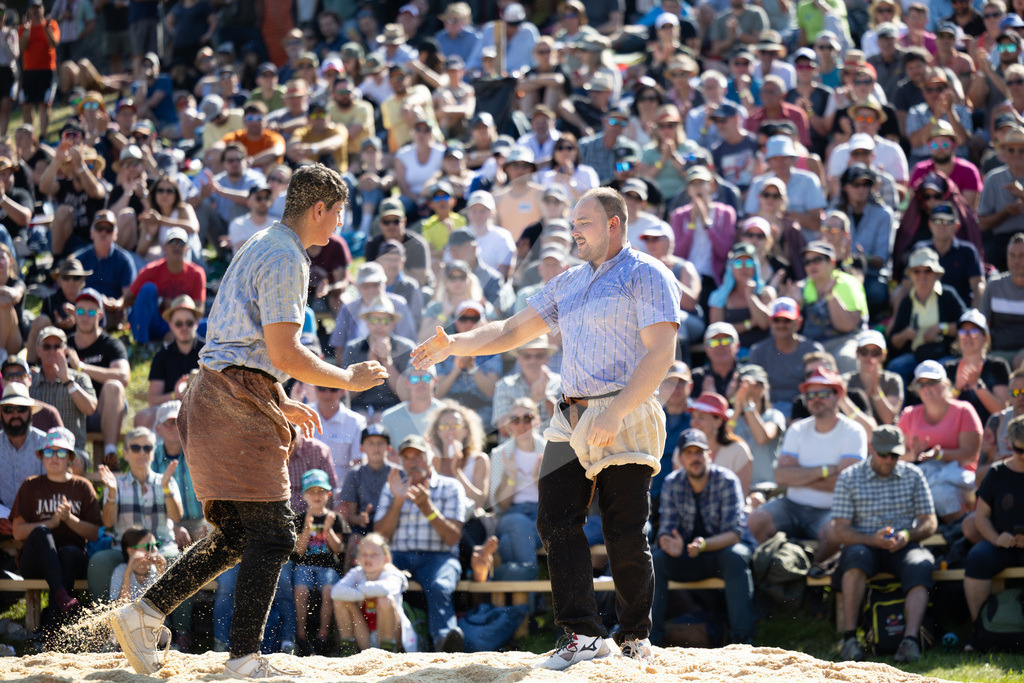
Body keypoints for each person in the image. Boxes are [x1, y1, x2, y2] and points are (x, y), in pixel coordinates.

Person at [109, 163, 388, 678]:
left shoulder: (263, 240)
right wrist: (346, 379)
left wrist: (276, 399)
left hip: (220, 393)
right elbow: (283, 351)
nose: (339, 228)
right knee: (279, 533)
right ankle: (242, 657)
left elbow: (246, 343)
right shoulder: (288, 256)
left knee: (239, 533)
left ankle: (143, 611)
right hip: (235, 398)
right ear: (319, 208)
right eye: (338, 215)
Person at [412, 187, 681, 668]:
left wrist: (616, 411)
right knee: (554, 520)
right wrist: (455, 343)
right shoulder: (569, 281)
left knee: (623, 531)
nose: (574, 231)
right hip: (569, 414)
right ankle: (583, 635)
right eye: (573, 223)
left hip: (627, 410)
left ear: (614, 223)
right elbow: (512, 330)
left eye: (585, 222)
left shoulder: (648, 274)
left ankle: (635, 635)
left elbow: (662, 353)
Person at [832, 425, 938, 663]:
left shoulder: (913, 474)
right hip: (864, 544)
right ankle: (850, 639)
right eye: (884, 454)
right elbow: (840, 530)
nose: (890, 460)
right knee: (855, 558)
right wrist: (872, 539)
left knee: (921, 563)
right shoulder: (849, 477)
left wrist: (907, 536)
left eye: (895, 454)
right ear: (871, 449)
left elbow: (930, 522)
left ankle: (910, 641)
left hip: (903, 546)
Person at [748, 368, 867, 563]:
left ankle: (812, 572)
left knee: (835, 532)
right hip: (792, 505)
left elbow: (846, 485)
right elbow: (781, 477)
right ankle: (779, 570)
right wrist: (827, 470)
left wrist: (798, 477)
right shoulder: (797, 429)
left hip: (831, 509)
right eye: (810, 395)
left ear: (837, 397)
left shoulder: (853, 431)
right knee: (756, 521)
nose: (816, 399)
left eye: (823, 394)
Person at [651, 428, 755, 646]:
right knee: (656, 560)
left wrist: (705, 545)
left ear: (709, 455)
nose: (694, 458)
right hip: (685, 555)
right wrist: (670, 546)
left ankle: (742, 639)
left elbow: (735, 533)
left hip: (719, 554)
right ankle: (652, 638)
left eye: (699, 452)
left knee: (737, 556)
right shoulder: (672, 482)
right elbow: (665, 531)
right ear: (680, 459)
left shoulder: (727, 480)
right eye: (688, 453)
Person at [373, 434, 467, 652]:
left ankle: (445, 641)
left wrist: (428, 509)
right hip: (398, 555)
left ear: (431, 457)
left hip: (439, 556)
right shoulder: (393, 487)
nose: (412, 462)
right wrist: (397, 502)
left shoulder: (451, 487)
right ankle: (380, 642)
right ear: (401, 461)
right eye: (407, 457)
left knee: (439, 586)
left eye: (418, 455)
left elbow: (453, 538)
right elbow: (381, 537)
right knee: (378, 580)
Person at [9, 427, 100, 615]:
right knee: (41, 532)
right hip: (35, 562)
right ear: (41, 456)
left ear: (71, 457)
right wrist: (51, 523)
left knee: (67, 553)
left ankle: (52, 622)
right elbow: (17, 532)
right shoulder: (30, 485)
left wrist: (69, 519)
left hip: (71, 560)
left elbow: (93, 534)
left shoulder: (82, 487)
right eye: (49, 451)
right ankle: (61, 597)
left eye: (61, 452)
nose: (54, 457)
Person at [963, 413, 1024, 646]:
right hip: (1002, 541)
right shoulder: (997, 473)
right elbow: (981, 517)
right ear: (1010, 444)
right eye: (1020, 450)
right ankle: (979, 630)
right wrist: (997, 539)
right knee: (977, 558)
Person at [897, 360, 983, 524]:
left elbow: (970, 455)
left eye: (931, 382)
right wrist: (912, 456)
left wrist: (939, 455)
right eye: (921, 384)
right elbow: (897, 457)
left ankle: (959, 532)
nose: (926, 388)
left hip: (959, 479)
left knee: (941, 494)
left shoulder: (964, 410)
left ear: (945, 384)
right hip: (921, 477)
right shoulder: (908, 414)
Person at [67, 288, 130, 469]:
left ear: (100, 315)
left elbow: (123, 376)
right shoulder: (64, 344)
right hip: (72, 410)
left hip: (103, 412)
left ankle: (110, 454)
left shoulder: (111, 344)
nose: (85, 316)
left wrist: (81, 367)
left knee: (114, 386)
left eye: (91, 311)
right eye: (80, 311)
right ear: (74, 314)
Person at [887, 246, 967, 383]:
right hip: (915, 355)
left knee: (943, 370)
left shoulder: (948, 295)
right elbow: (893, 341)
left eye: (928, 271)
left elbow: (966, 326)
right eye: (917, 271)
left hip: (945, 354)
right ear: (911, 275)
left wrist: (941, 328)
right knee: (895, 367)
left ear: (936, 273)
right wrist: (905, 334)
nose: (922, 276)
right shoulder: (906, 302)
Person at [331, 532, 415, 654]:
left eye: (374, 554)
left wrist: (358, 589)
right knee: (340, 601)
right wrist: (362, 594)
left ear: (386, 558)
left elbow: (386, 589)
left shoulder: (393, 573)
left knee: (384, 600)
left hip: (389, 634)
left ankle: (389, 650)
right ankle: (348, 648)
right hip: (364, 634)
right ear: (358, 558)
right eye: (364, 554)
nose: (368, 558)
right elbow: (335, 592)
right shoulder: (357, 573)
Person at [293, 469, 345, 656]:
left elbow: (338, 549)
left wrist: (328, 529)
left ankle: (322, 635)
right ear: (304, 495)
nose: (317, 495)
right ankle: (300, 634)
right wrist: (307, 527)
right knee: (300, 591)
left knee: (329, 590)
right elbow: (299, 550)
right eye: (312, 492)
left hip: (328, 566)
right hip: (305, 564)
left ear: (328, 494)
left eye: (321, 491)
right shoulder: (299, 519)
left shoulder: (335, 518)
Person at [29, 326, 97, 467]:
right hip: (37, 451)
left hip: (72, 450)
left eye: (57, 346)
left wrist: (67, 381)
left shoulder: (79, 378)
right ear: (38, 350)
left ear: (65, 350)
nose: (52, 351)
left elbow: (90, 408)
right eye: (47, 346)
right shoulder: (30, 382)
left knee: (74, 464)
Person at [748, 298, 824, 420]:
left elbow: (820, 388)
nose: (781, 325)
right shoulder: (758, 351)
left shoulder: (813, 350)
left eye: (787, 320)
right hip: (768, 412)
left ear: (798, 323)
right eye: (777, 320)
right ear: (770, 322)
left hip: (805, 411)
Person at [945, 308, 1010, 426]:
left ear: (986, 338)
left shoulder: (998, 366)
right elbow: (942, 414)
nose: (968, 336)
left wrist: (977, 385)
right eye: (963, 332)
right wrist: (957, 388)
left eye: (974, 332)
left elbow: (1002, 412)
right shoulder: (949, 368)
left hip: (990, 436)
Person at [689, 392, 754, 494]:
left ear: (718, 421)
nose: (694, 422)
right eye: (693, 417)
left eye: (701, 417)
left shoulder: (738, 451)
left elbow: (741, 496)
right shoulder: (683, 449)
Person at [0, 383, 47, 514]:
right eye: (8, 409)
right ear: (1, 413)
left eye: (21, 409)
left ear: (30, 411)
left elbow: (52, 488)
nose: (15, 415)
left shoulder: (45, 443)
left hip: (38, 514)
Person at [844, 330, 903, 425]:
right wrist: (870, 387)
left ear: (883, 355)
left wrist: (876, 388)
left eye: (875, 353)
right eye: (864, 352)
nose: (869, 357)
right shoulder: (846, 381)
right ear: (857, 353)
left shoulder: (893, 380)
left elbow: (888, 419)